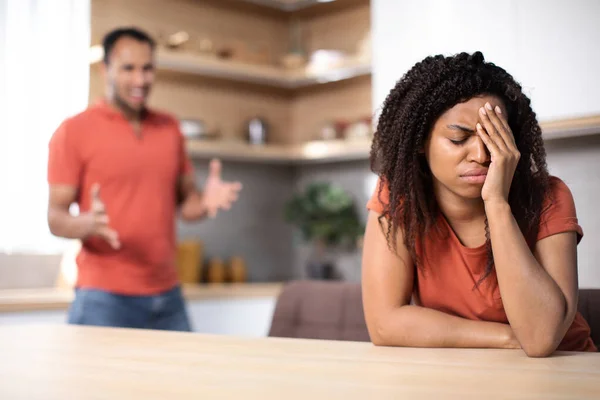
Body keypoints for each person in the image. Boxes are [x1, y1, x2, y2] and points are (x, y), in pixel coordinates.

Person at [362, 51, 596, 357]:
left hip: (564, 368)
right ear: (420, 142)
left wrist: (497, 204)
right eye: (459, 139)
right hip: (468, 366)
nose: (482, 156)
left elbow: (540, 338)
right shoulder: (399, 195)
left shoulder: (549, 196)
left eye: (495, 138)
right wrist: (511, 338)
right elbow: (384, 324)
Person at [47, 27, 242, 331]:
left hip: (168, 295)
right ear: (105, 70)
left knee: (182, 379)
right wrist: (85, 224)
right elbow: (55, 217)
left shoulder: (169, 128)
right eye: (128, 69)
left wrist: (203, 203)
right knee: (98, 381)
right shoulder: (74, 131)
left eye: (147, 68)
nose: (140, 80)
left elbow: (185, 205)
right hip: (103, 298)